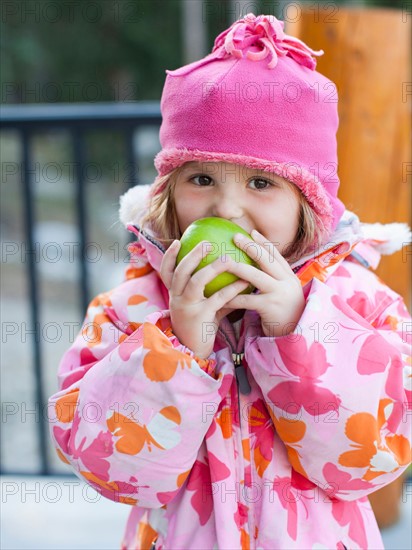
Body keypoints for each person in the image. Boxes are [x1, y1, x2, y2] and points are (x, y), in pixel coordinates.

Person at [49, 14, 411, 550]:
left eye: (261, 182)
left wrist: (297, 330)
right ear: (168, 192)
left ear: (307, 204)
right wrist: (178, 343)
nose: (227, 208)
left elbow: (370, 459)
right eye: (201, 178)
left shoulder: (359, 303)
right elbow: (114, 470)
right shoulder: (129, 311)